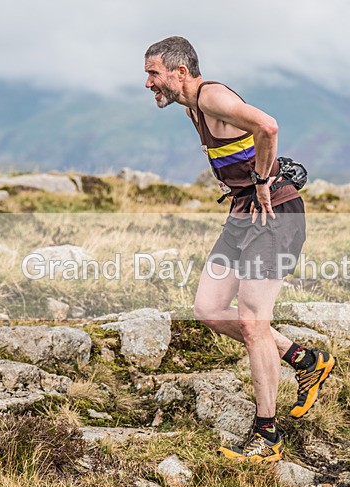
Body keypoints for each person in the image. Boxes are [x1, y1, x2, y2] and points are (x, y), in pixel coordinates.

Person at [144, 36, 336, 462]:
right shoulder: (194, 106)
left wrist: (263, 179)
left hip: (274, 217)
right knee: (209, 309)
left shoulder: (210, 96)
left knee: (253, 324)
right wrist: (234, 178)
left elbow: (267, 126)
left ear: (180, 72)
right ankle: (306, 361)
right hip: (242, 216)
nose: (148, 83)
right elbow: (240, 146)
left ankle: (266, 437)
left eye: (153, 73)